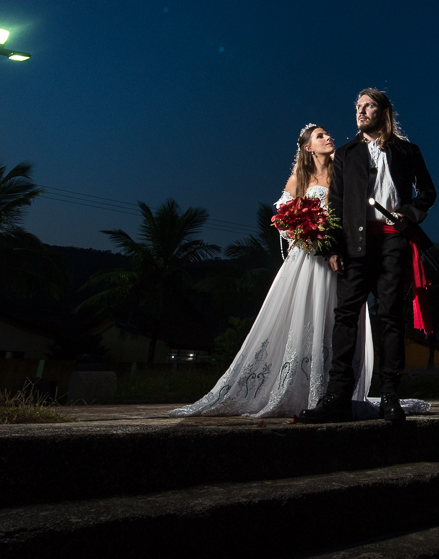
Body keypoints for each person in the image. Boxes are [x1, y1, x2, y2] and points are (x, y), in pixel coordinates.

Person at [170, 124, 425, 420]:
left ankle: (333, 390)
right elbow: (283, 219)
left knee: (339, 320)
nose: (329, 137)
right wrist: (310, 234)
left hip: (342, 259)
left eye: (328, 134)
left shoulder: (346, 173)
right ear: (307, 147)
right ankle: (298, 386)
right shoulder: (299, 179)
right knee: (303, 317)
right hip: (308, 260)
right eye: (320, 136)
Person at [299, 89, 437, 424]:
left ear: (384, 111)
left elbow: (428, 192)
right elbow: (335, 204)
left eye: (368, 105)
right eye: (357, 106)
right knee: (345, 316)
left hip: (394, 242)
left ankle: (391, 395)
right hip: (354, 245)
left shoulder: (408, 150)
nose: (360, 111)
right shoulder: (347, 153)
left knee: (390, 315)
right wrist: (332, 247)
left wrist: (409, 213)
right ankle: (336, 397)